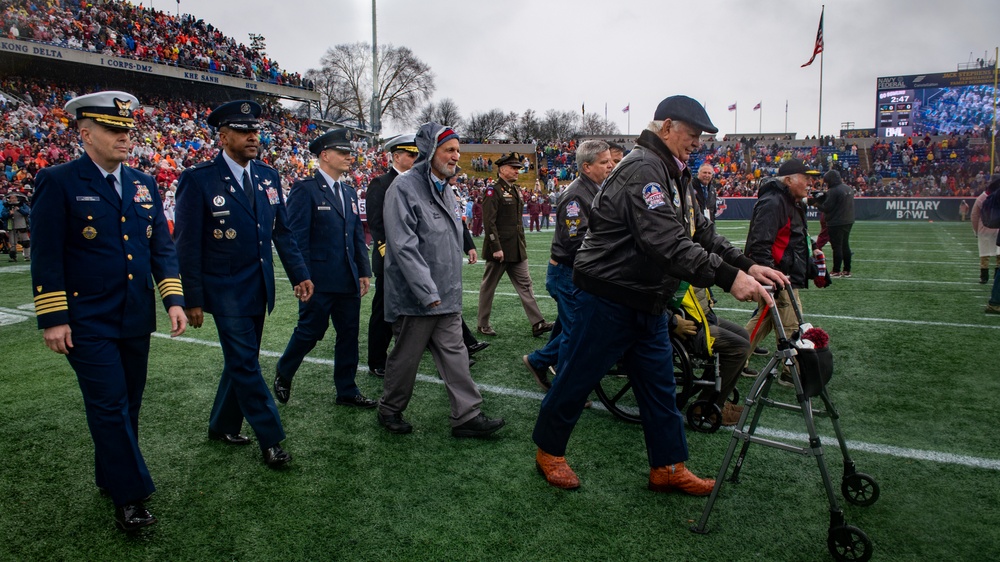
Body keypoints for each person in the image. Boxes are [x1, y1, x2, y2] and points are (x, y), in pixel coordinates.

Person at [532, 96, 787, 492]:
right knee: (576, 378)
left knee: (659, 388)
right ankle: (548, 451)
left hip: (646, 299)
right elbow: (666, 243)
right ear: (667, 128)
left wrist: (746, 265)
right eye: (692, 134)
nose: (698, 142)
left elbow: (699, 232)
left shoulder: (672, 171)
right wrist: (727, 277)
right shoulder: (644, 169)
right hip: (609, 299)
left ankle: (667, 466)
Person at [30, 91, 187, 531]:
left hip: (135, 314)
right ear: (86, 134)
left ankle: (110, 474)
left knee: (129, 404)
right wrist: (53, 317)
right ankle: (130, 496)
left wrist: (172, 298)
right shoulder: (58, 181)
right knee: (109, 403)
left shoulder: (143, 182)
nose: (124, 138)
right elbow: (46, 255)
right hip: (86, 318)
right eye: (114, 130)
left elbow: (160, 247)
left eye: (127, 131)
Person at [174, 100, 314, 469]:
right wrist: (192, 298)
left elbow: (282, 231)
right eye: (243, 130)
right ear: (223, 136)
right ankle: (271, 437)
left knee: (243, 360)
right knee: (246, 364)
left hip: (259, 286)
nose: (254, 136)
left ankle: (221, 424)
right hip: (223, 288)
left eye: (256, 130)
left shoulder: (268, 176)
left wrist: (300, 273)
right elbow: (186, 244)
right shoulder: (198, 178)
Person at [378, 122, 505, 438]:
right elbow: (402, 245)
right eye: (449, 149)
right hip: (415, 299)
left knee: (456, 356)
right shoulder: (403, 189)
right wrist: (426, 289)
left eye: (458, 150)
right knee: (405, 360)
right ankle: (390, 409)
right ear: (430, 151)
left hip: (446, 296)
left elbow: (452, 234)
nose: (455, 156)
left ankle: (467, 416)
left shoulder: (447, 189)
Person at [273, 129, 375, 408]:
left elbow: (357, 235)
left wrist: (363, 271)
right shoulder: (305, 189)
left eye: (349, 153)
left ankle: (347, 389)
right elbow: (295, 237)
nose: (348, 157)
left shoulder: (349, 191)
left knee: (349, 335)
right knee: (310, 331)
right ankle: (285, 370)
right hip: (317, 279)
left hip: (347, 278)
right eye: (342, 153)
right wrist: (301, 276)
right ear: (325, 155)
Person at [523, 140, 613, 389]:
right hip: (567, 273)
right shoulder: (575, 194)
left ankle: (545, 362)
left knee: (569, 326)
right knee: (577, 332)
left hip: (577, 272)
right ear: (586, 166)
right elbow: (576, 241)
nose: (610, 165)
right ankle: (553, 373)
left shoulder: (594, 188)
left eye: (610, 160)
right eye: (604, 162)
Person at [743, 159, 821, 385]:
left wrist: (812, 251)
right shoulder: (774, 202)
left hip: (785, 273)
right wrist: (771, 277)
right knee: (791, 324)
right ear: (788, 180)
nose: (810, 182)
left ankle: (735, 357)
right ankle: (791, 373)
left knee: (765, 320)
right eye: (805, 178)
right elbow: (759, 245)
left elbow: (797, 235)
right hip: (780, 275)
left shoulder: (792, 202)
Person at [476, 152, 553, 337]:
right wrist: (496, 248)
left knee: (526, 284)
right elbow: (490, 222)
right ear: (502, 170)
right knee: (489, 286)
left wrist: (522, 244)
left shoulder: (514, 189)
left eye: (518, 168)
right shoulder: (492, 191)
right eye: (513, 168)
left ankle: (538, 323)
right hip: (500, 250)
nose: (518, 171)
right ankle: (482, 324)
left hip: (516, 248)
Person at [365, 133, 419, 378]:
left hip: (414, 256)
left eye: (416, 154)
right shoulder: (381, 183)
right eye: (410, 154)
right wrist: (390, 253)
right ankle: (377, 359)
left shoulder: (417, 182)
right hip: (391, 258)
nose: (415, 158)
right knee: (384, 309)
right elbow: (377, 224)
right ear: (396, 156)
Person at [815, 170, 855, 278]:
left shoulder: (833, 191)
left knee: (837, 247)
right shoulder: (848, 188)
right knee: (845, 245)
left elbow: (827, 208)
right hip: (848, 220)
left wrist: (817, 204)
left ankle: (836, 270)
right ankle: (847, 270)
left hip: (836, 222)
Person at [971, 181, 999, 285]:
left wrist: (976, 231)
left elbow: (974, 216)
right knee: (999, 256)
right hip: (998, 230)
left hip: (984, 230)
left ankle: (984, 277)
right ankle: (997, 278)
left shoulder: (981, 198)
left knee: (984, 255)